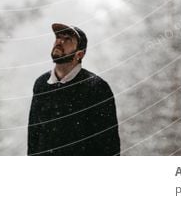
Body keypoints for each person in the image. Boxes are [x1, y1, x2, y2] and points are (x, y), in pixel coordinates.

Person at [27, 22, 120, 155]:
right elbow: (34, 135)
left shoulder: (97, 87)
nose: (59, 41)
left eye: (67, 39)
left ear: (79, 54)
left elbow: (109, 143)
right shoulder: (41, 84)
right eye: (58, 37)